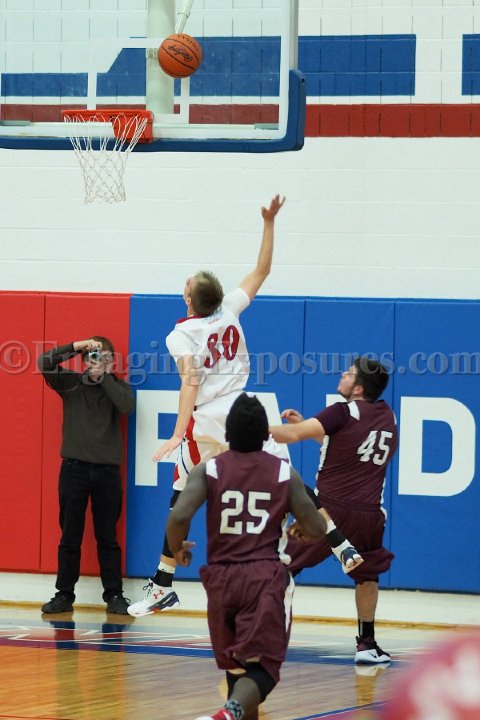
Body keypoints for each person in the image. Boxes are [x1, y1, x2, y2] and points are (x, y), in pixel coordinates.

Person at [128, 196, 361, 617]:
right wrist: (269, 223)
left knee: (181, 496)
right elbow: (262, 271)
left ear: (189, 299)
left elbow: (191, 381)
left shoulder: (180, 335)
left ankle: (162, 584)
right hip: (246, 409)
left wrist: (178, 433)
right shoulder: (229, 309)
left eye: (187, 282)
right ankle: (340, 542)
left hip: (209, 419)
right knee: (288, 479)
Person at [165, 393, 328, 720]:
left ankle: (231, 713)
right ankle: (228, 713)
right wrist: (302, 530)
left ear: (227, 433)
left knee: (237, 669)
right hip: (263, 577)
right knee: (264, 669)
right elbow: (318, 527)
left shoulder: (209, 469)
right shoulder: (282, 473)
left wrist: (178, 547)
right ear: (266, 435)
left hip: (221, 578)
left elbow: (179, 515)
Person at [269, 357, 398, 664]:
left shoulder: (341, 411)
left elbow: (290, 436)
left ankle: (263, 635)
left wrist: (244, 428)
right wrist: (308, 424)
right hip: (369, 514)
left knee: (279, 566)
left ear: (358, 388)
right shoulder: (387, 416)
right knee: (367, 576)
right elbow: (347, 443)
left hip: (329, 511)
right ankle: (367, 645)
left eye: (349, 374)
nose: (342, 375)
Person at [38, 337, 135, 615]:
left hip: (107, 473)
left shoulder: (119, 387)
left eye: (106, 357)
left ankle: (114, 595)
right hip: (74, 470)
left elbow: (126, 407)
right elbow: (44, 362)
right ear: (84, 359)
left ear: (112, 361)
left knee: (108, 537)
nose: (100, 361)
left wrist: (102, 377)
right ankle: (64, 594)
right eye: (94, 356)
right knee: (70, 536)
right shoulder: (71, 383)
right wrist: (77, 345)